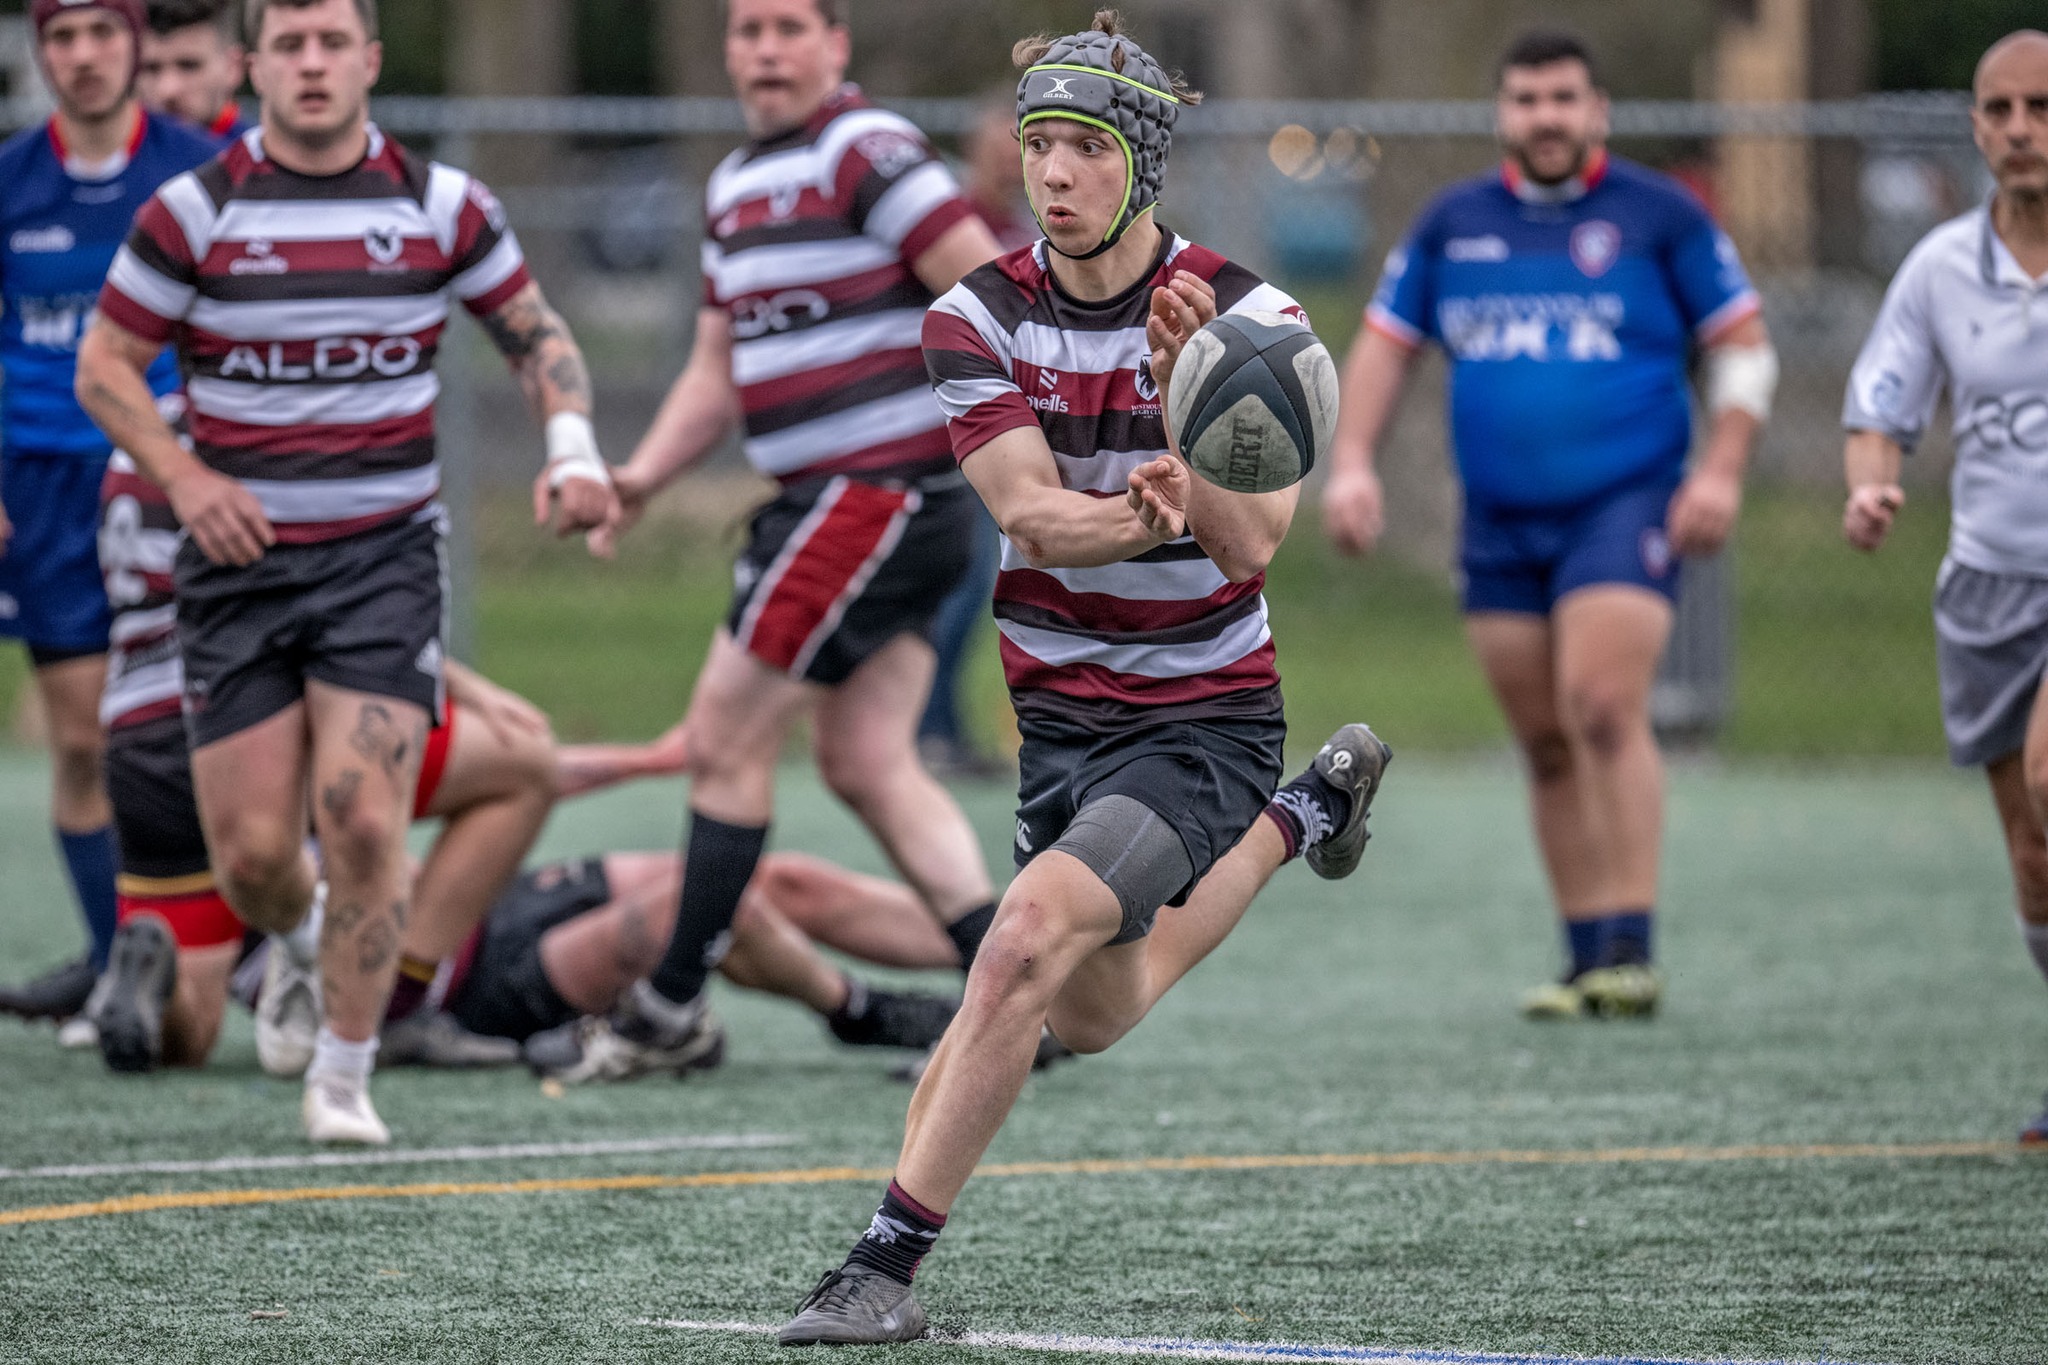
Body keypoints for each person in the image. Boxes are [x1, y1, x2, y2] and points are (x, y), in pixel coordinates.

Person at [777, 13, 1390, 1344]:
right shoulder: (973, 316)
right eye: (1039, 143)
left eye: (1084, 147)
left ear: (1140, 162)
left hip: (1206, 710)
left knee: (1021, 941)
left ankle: (882, 1266)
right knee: (1096, 1012)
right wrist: (1148, 509)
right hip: (1059, 712)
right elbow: (1036, 516)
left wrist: (1190, 416)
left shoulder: (1252, 320)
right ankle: (1310, 816)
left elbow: (1254, 549)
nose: (1052, 171)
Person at [74, 0, 617, 1144]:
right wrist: (185, 478)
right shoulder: (195, 210)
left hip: (381, 562)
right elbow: (105, 366)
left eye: (332, 43)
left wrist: (571, 451)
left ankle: (343, 1074)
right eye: (289, 45)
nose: (312, 65)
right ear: (250, 65)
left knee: (364, 819)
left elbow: (537, 336)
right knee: (258, 856)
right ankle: (301, 935)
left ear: (369, 60)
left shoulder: (440, 205)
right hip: (236, 570)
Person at [536, 0, 1007, 1084]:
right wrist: (643, 477)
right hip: (846, 506)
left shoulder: (865, 149)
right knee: (866, 761)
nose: (764, 49)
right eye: (746, 30)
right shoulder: (733, 183)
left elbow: (986, 290)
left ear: (834, 45)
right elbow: (716, 367)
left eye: (789, 26)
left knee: (722, 736)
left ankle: (665, 1010)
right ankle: (1013, 1002)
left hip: (875, 497)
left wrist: (1057, 439)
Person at [1321, 29, 1776, 1020]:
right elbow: (1384, 347)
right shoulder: (1452, 223)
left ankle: (1632, 947)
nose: (1546, 117)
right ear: (1502, 115)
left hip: (1624, 503)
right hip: (1496, 520)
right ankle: (1580, 962)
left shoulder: (1658, 216)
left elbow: (1741, 349)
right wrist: (1351, 464)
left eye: (1563, 98)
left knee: (1602, 705)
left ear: (1597, 110)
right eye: (1526, 100)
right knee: (1542, 740)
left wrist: (1720, 471)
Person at [1840, 30, 2048, 1146]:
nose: (2018, 129)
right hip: (1986, 591)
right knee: (2029, 850)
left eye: (2041, 108)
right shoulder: (1938, 268)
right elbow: (1882, 405)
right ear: (1973, 125)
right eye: (1999, 109)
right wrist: (1871, 489)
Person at [0, 0, 220, 1031]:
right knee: (87, 742)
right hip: (44, 484)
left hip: (174, 476)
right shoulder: (11, 181)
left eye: (100, 32)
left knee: (200, 727)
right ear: (40, 51)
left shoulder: (198, 167)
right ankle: (110, 967)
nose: (81, 58)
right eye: (60, 37)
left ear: (132, 41)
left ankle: (227, 953)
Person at [916, 94, 1038, 781]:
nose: (1007, 158)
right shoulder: (957, 225)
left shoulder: (1023, 224)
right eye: (997, 143)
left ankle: (943, 727)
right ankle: (930, 731)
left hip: (1013, 425)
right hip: (959, 426)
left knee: (980, 585)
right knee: (961, 586)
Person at [139, 0, 252, 140]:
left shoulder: (262, 157)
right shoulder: (114, 157)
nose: (168, 90)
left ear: (233, 67)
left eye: (189, 66)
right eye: (151, 69)